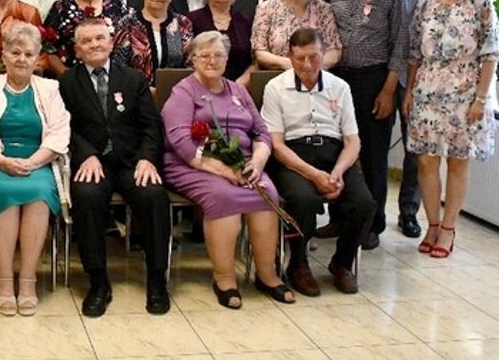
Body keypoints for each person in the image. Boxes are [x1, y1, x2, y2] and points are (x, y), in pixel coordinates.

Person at [163, 31, 294, 309]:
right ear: (193, 59)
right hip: (194, 163)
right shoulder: (184, 91)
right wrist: (223, 170)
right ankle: (224, 279)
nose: (212, 60)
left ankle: (267, 275)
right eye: (205, 55)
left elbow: (261, 133)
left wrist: (257, 163)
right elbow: (179, 141)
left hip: (243, 162)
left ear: (227, 59)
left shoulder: (238, 90)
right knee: (225, 196)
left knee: (267, 192)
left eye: (218, 55)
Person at [59, 19, 170, 317]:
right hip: (92, 162)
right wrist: (85, 155)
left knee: (154, 196)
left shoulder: (133, 78)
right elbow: (64, 127)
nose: (94, 44)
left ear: (110, 43)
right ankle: (98, 282)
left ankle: (158, 280)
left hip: (132, 162)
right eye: (86, 41)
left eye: (99, 38)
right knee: (87, 196)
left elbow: (151, 126)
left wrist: (147, 158)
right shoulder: (66, 82)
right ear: (77, 49)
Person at [261, 28, 375, 296]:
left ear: (324, 54)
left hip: (335, 156)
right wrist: (314, 175)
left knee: (365, 204)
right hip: (294, 157)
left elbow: (353, 141)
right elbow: (276, 144)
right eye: (300, 58)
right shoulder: (275, 88)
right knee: (303, 200)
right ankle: (298, 264)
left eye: (314, 57)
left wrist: (336, 173)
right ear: (290, 56)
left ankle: (342, 263)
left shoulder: (340, 87)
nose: (307, 65)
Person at [403, 0, 499, 259]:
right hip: (427, 90)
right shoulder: (426, 4)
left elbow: (490, 55)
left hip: (466, 93)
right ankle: (431, 223)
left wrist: (481, 100)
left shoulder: (481, 4)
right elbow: (415, 53)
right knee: (426, 161)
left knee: (457, 162)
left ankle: (448, 228)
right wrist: (409, 92)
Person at [0, 21, 70, 316]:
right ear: (4, 55)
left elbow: (59, 133)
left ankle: (27, 279)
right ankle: (3, 278)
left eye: (28, 53)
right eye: (15, 52)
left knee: (38, 194)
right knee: (6, 193)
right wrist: (1, 162)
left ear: (38, 58)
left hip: (38, 161)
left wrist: (35, 161)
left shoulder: (50, 88)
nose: (21, 59)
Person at [322, 0, 408, 250]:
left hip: (375, 81)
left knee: (372, 154)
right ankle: (339, 218)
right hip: (337, 80)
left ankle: (372, 224)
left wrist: (389, 90)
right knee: (336, 150)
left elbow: (401, 41)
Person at [387, 0, 442, 238]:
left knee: (415, 149)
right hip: (385, 76)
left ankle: (409, 212)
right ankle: (372, 216)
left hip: (420, 81)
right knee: (375, 148)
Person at [111, 0, 193, 88]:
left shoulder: (183, 24)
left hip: (175, 96)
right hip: (135, 97)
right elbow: (118, 68)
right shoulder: (126, 24)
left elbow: (190, 65)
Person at [186, 0, 255, 86]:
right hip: (200, 88)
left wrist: (238, 85)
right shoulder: (190, 20)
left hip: (239, 89)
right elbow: (187, 59)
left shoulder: (245, 22)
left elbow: (254, 61)